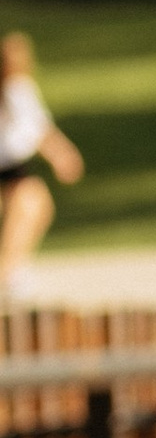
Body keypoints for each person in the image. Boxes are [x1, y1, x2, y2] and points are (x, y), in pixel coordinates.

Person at [0, 28, 84, 296]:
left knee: (33, 207)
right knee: (28, 207)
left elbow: (38, 128)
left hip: (13, 167)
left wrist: (63, 154)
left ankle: (12, 268)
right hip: (8, 166)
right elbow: (37, 130)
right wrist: (62, 155)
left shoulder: (17, 89)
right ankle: (7, 270)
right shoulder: (14, 89)